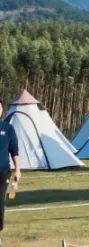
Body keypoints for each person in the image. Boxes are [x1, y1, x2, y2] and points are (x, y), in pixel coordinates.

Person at [0, 100, 21, 247]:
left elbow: (14, 151)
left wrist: (17, 169)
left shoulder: (8, 128)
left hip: (2, 173)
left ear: (2, 110)